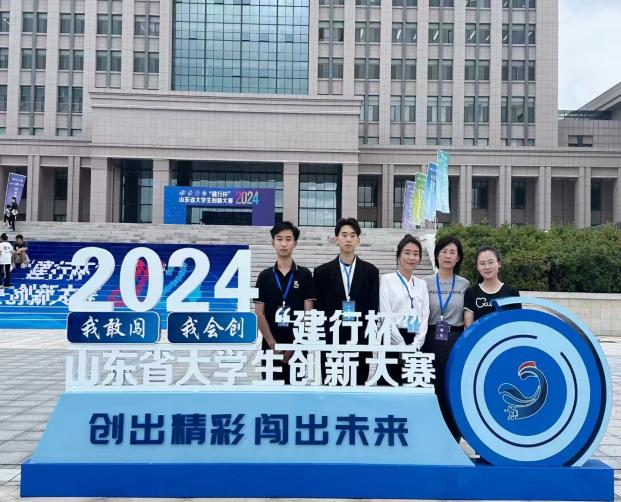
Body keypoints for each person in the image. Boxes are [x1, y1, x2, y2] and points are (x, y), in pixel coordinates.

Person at [314, 217, 379, 386]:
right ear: (336, 239)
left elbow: (373, 307)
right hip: (332, 340)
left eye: (352, 235)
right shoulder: (321, 273)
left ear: (358, 240)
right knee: (332, 388)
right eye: (344, 235)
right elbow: (319, 309)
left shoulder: (371, 272)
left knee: (358, 388)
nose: (348, 239)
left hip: (360, 341)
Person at [255, 221, 315, 384]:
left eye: (288, 239)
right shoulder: (264, 276)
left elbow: (308, 313)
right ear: (273, 242)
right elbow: (259, 313)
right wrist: (272, 344)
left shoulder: (305, 274)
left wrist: (297, 344)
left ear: (295, 243)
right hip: (270, 345)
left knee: (296, 392)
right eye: (279, 239)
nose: (283, 244)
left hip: (298, 345)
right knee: (271, 391)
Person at [422, 235, 470, 439]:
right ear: (436, 255)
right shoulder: (424, 283)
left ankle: (453, 435)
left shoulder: (465, 285)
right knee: (433, 388)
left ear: (458, 258)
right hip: (430, 340)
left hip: (455, 341)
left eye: (452, 252)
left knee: (452, 388)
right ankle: (432, 434)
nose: (448, 256)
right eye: (444, 251)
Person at [377, 234, 429, 385]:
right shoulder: (387, 280)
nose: (411, 258)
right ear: (399, 255)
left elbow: (425, 316)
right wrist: (402, 347)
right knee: (391, 385)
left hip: (415, 340)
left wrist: (415, 345)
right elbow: (385, 315)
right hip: (392, 339)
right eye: (407, 253)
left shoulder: (422, 284)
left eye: (416, 254)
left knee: (412, 386)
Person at [464, 245, 520, 327]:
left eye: (490, 262)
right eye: (482, 263)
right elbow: (469, 328)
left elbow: (517, 323)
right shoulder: (471, 292)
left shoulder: (512, 292)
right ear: (477, 267)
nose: (487, 267)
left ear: (499, 263)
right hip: (479, 335)